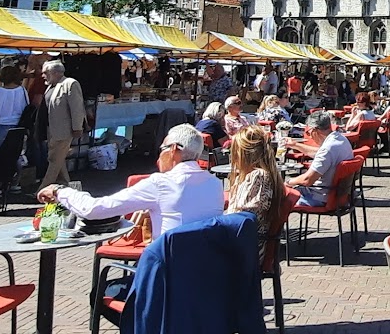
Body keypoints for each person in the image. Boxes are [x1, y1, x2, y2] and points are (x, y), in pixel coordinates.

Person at [38, 124, 223, 235]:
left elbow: (94, 210)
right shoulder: (215, 184)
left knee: (106, 288)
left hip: (165, 273)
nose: (159, 157)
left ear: (173, 149)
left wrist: (59, 191)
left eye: (162, 149)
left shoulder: (161, 183)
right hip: (203, 274)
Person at [223, 126, 285, 262]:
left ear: (245, 153)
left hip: (246, 248)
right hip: (242, 241)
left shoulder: (258, 176)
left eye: (234, 150)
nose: (232, 156)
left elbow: (245, 219)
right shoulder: (254, 175)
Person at [38, 60, 87, 190]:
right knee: (58, 159)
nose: (43, 76)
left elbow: (77, 108)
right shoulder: (51, 86)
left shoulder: (70, 84)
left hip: (64, 130)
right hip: (51, 129)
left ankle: (43, 189)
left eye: (45, 73)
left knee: (54, 160)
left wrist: (77, 127)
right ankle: (65, 185)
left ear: (55, 73)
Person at [288, 113, 353, 207]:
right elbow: (320, 153)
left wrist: (288, 182)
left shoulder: (327, 150)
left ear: (314, 130)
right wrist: (295, 145)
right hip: (339, 196)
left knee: (279, 197)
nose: (310, 137)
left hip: (321, 197)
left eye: (308, 133)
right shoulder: (341, 140)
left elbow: (307, 180)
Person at [0, 65, 28, 152]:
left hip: (2, 126)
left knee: (0, 155)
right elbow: (26, 107)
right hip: (19, 126)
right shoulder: (22, 90)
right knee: (15, 154)